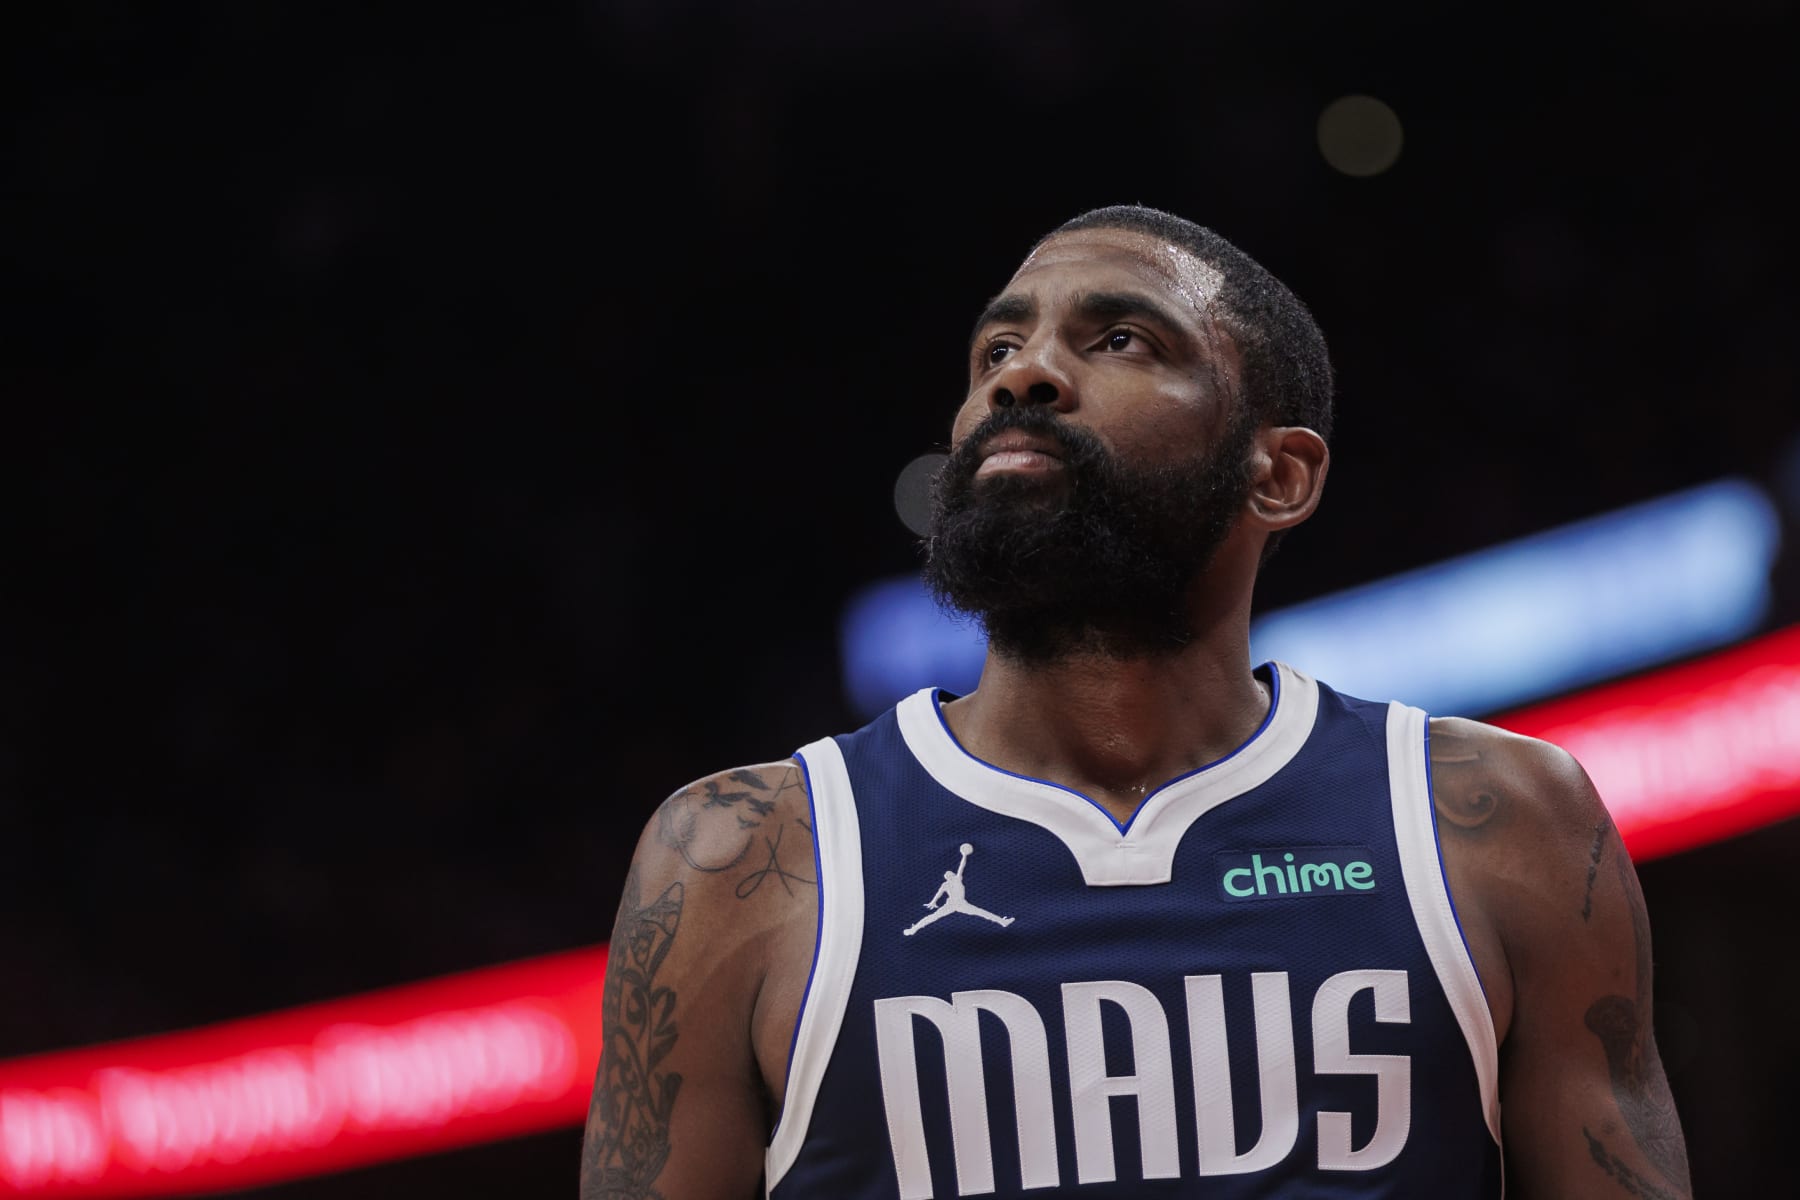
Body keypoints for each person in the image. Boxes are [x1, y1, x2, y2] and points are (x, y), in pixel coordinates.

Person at [577, 205, 1692, 1199]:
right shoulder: (742, 854)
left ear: (1280, 475)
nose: (1024, 376)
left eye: (1120, 340)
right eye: (998, 350)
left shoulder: (1499, 822)